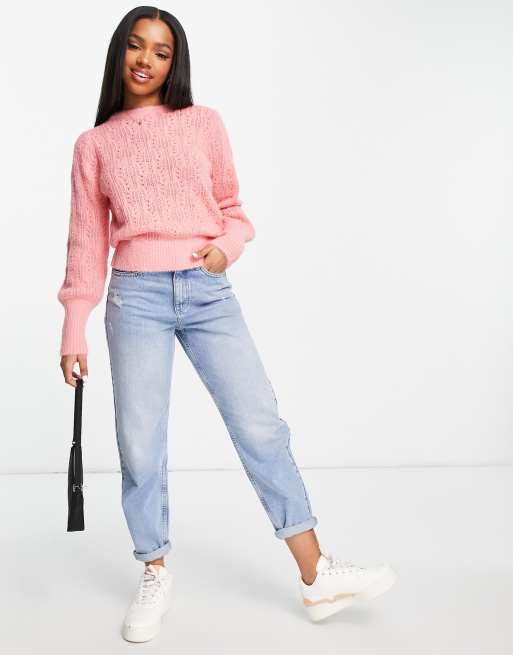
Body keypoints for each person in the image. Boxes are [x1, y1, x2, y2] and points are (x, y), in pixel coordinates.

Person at [57, 6, 397, 642]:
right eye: (136, 46)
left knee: (260, 424)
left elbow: (233, 209)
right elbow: (85, 241)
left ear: (175, 63)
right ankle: (154, 569)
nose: (146, 60)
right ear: (119, 52)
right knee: (140, 444)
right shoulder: (94, 145)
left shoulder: (203, 123)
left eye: (161, 52)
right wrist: (75, 324)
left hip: (206, 291)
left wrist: (226, 248)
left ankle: (316, 573)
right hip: (135, 298)